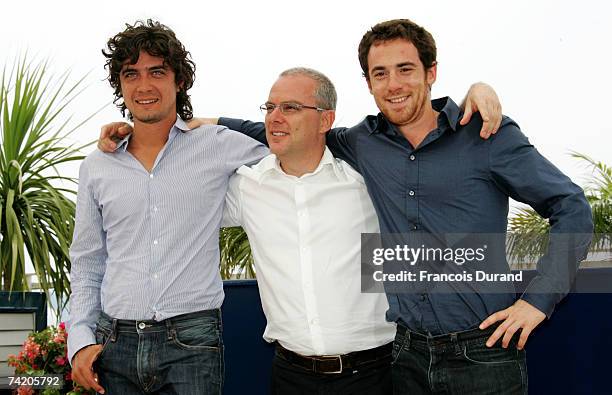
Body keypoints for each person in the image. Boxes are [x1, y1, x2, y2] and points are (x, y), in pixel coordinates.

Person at [203, 19, 592, 394]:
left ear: (431, 72)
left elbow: (571, 206)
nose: (393, 85)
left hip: (483, 352)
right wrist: (185, 122)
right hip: (405, 356)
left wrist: (537, 301)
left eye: (405, 69)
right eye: (380, 73)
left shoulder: (486, 135)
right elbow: (286, 130)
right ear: (369, 83)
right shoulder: (363, 143)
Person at [67, 20, 267, 394]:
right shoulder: (97, 165)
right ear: (121, 86)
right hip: (114, 343)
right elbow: (87, 261)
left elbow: (286, 145)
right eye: (131, 74)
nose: (143, 86)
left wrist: (215, 120)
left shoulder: (216, 144)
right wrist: (79, 339)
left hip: (192, 343)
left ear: (179, 80)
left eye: (156, 72)